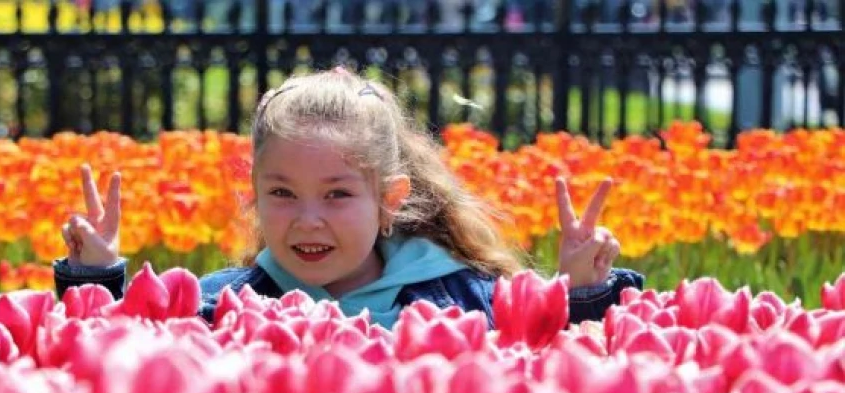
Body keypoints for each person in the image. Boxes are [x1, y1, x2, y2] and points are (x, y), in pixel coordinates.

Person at [53, 67, 644, 330]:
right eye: (281, 193)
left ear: (391, 199)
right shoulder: (220, 305)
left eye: (337, 195)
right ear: (254, 197)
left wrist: (580, 295)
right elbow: (124, 347)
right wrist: (96, 280)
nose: (308, 219)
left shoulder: (466, 301)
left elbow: (551, 361)